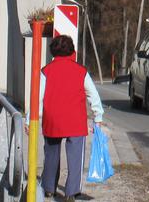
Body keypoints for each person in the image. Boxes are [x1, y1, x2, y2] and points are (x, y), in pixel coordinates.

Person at [31, 35, 104, 201]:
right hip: (75, 121)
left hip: (52, 120)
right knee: (75, 157)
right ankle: (72, 192)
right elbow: (93, 94)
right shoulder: (81, 71)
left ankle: (49, 188)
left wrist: (30, 119)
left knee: (50, 154)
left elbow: (37, 97)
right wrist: (97, 116)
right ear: (72, 51)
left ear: (52, 51)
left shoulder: (46, 71)